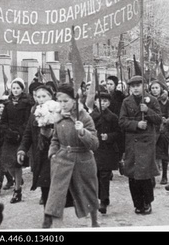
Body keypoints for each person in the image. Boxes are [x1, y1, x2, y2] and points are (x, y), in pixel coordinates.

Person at [43, 83, 100, 228]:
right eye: (60, 101)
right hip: (61, 160)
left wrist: (82, 132)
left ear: (75, 100)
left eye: (66, 101)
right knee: (57, 196)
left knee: (89, 193)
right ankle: (57, 227)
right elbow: (55, 139)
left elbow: (94, 143)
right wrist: (52, 153)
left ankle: (95, 222)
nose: (62, 104)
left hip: (82, 160)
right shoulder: (58, 117)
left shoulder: (84, 117)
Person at [119, 76, 162, 215]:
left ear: (144, 86)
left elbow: (158, 119)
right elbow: (122, 121)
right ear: (130, 88)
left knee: (145, 174)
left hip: (146, 142)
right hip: (132, 141)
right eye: (133, 86)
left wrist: (147, 111)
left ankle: (147, 202)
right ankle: (137, 203)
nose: (136, 88)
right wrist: (136, 124)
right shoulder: (126, 102)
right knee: (133, 175)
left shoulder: (152, 100)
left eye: (138, 85)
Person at [17, 84, 55, 208]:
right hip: (39, 153)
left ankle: (52, 211)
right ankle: (48, 215)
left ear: (50, 96)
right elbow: (28, 133)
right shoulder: (34, 112)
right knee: (44, 184)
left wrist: (51, 133)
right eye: (38, 97)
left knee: (52, 183)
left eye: (44, 96)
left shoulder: (58, 111)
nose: (41, 99)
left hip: (54, 154)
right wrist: (22, 150)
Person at [0, 77, 34, 203]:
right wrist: (8, 132)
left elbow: (27, 121)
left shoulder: (26, 103)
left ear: (22, 89)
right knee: (7, 164)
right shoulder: (7, 104)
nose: (15, 90)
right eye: (13, 88)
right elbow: (3, 122)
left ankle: (17, 191)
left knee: (17, 164)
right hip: (9, 137)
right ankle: (17, 180)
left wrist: (20, 133)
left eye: (18, 88)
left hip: (20, 137)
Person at [90, 92, 122, 215]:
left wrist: (108, 136)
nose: (101, 103)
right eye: (99, 101)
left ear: (108, 103)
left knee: (104, 176)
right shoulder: (91, 116)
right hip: (95, 149)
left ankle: (103, 200)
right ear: (95, 102)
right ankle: (101, 197)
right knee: (96, 175)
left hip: (107, 150)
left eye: (104, 101)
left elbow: (119, 133)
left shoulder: (113, 117)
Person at [149, 80, 169, 185]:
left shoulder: (166, 101)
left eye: (157, 88)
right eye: (153, 88)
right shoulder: (148, 100)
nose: (154, 90)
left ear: (161, 89)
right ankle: (152, 176)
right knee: (152, 153)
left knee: (164, 153)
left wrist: (166, 121)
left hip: (163, 129)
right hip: (152, 129)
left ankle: (165, 176)